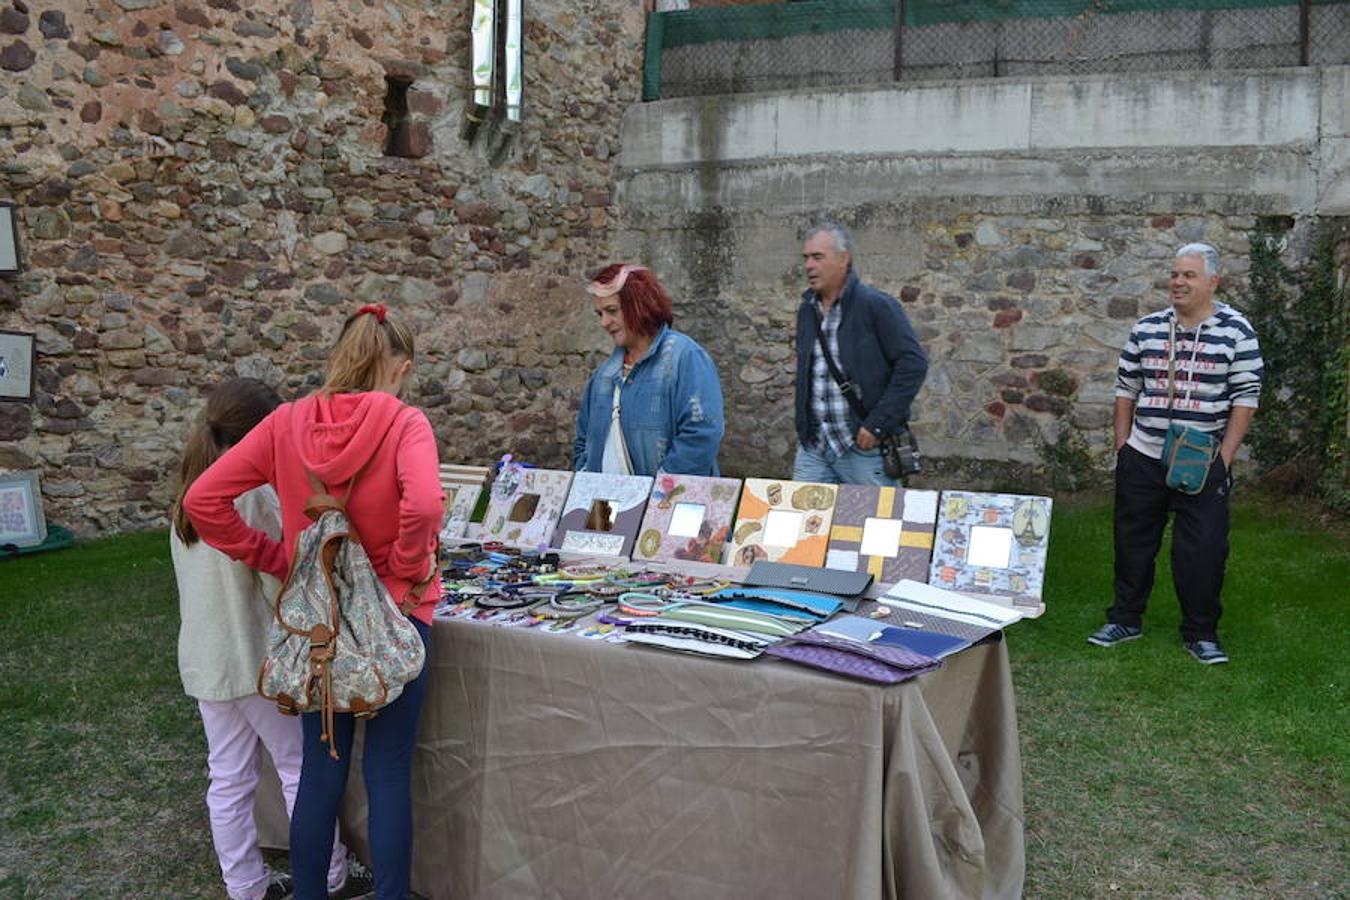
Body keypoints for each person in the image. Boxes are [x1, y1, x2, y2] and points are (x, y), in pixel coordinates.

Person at [185, 305, 443, 899]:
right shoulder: (406, 423)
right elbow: (426, 505)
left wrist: (282, 558)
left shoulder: (286, 424)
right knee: (388, 768)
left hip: (319, 620)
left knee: (321, 769)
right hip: (398, 615)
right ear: (398, 367)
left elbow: (204, 499)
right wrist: (405, 567)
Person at [170, 378, 369, 900]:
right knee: (297, 768)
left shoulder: (187, 497)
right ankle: (328, 874)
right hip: (256, 659)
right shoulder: (250, 494)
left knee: (230, 778)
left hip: (207, 662)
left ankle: (245, 886)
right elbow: (278, 578)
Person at [1088, 243, 1263, 664]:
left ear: (1213, 283)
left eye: (1189, 275)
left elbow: (1246, 397)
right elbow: (1125, 390)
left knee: (1202, 550)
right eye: (1175, 274)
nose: (1178, 282)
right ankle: (1125, 619)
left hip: (1203, 460)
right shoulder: (1146, 329)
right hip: (1143, 456)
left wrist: (1224, 459)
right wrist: (1124, 447)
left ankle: (1200, 632)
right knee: (1132, 542)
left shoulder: (1237, 332)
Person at [792, 222, 928, 485]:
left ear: (844, 259)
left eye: (818, 257)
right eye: (806, 258)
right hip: (815, 448)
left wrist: (877, 424)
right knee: (804, 524)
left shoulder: (875, 306)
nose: (809, 266)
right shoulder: (807, 311)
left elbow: (913, 365)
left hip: (864, 449)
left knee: (876, 524)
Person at [573, 263, 725, 476]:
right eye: (600, 314)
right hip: (607, 505)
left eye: (612, 311)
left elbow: (701, 434)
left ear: (638, 305)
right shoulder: (603, 376)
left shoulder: (685, 357)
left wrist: (659, 495)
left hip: (666, 503)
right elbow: (582, 442)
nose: (604, 323)